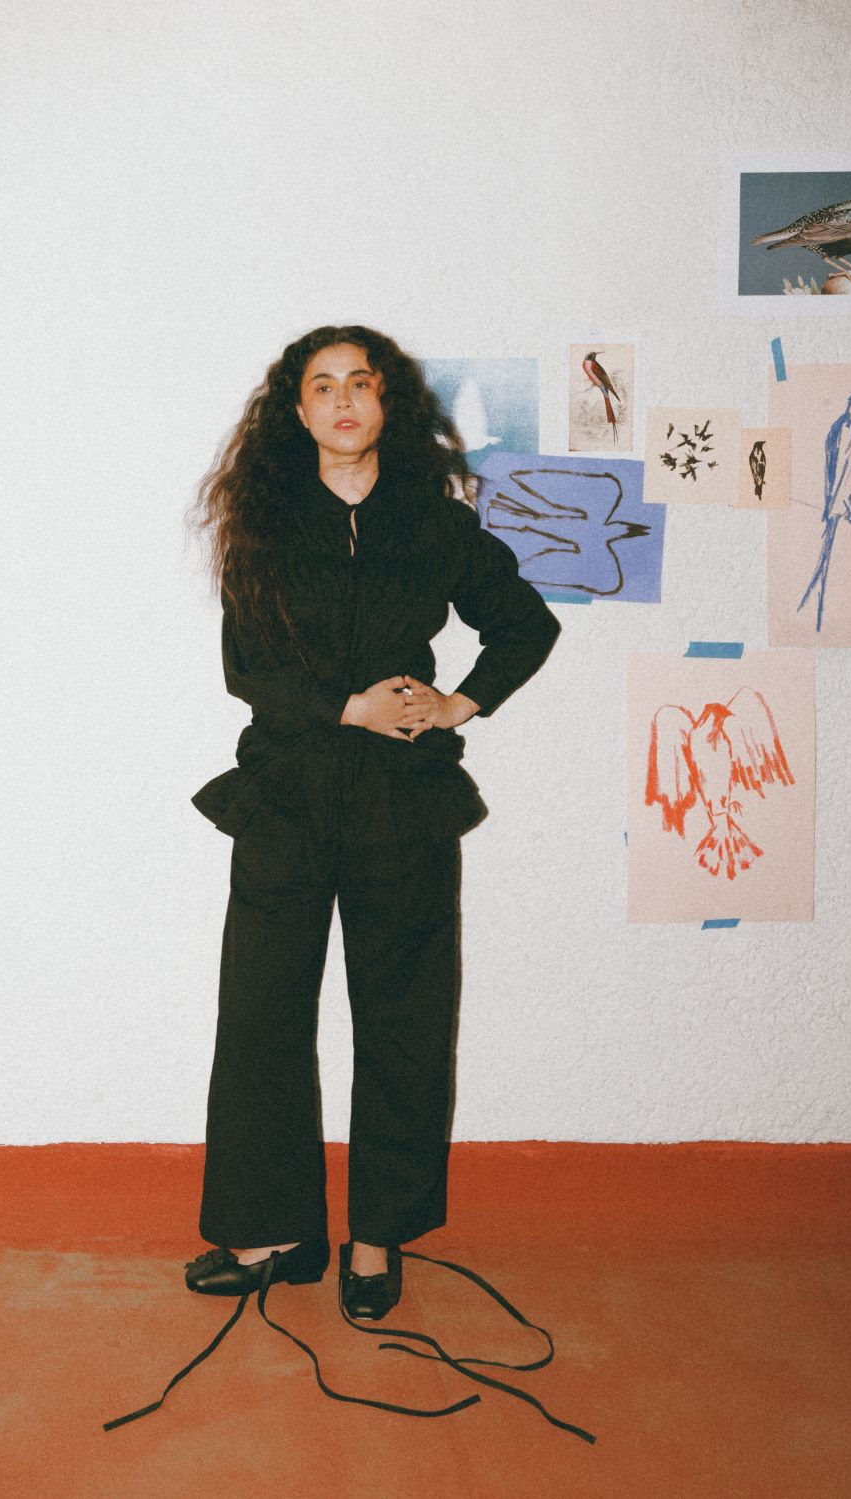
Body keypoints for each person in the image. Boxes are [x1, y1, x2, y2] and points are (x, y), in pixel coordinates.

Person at [184, 325, 560, 1321]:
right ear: (298, 409)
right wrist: (343, 706)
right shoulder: (264, 523)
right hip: (288, 794)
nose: (344, 400)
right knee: (262, 1013)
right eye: (324, 385)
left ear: (387, 403)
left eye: (362, 382)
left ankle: (376, 1235)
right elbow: (248, 669)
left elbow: (525, 625)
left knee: (403, 1018)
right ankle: (273, 1230)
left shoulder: (433, 523)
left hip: (402, 799)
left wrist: (458, 702)